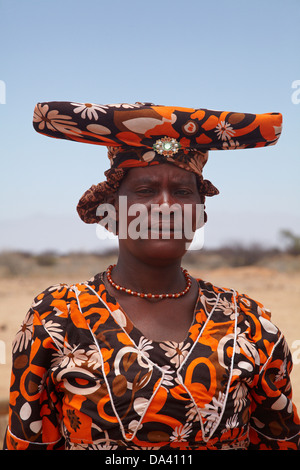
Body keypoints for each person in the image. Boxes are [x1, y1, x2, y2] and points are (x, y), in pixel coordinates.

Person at [3, 102, 300, 450]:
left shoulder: (248, 323)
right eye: (145, 190)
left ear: (201, 213)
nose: (166, 205)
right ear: (111, 210)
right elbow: (29, 440)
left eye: (183, 191)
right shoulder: (56, 316)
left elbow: (280, 442)